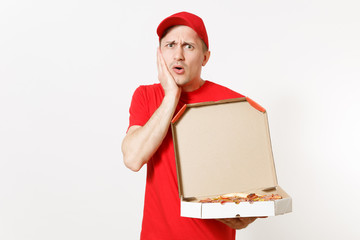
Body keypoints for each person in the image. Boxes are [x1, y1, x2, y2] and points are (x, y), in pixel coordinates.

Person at [122, 12, 260, 240]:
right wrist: (171, 97)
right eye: (170, 45)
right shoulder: (145, 96)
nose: (178, 55)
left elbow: (258, 179)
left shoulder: (235, 104)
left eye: (188, 46)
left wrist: (250, 212)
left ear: (205, 57)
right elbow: (133, 159)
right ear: (160, 54)